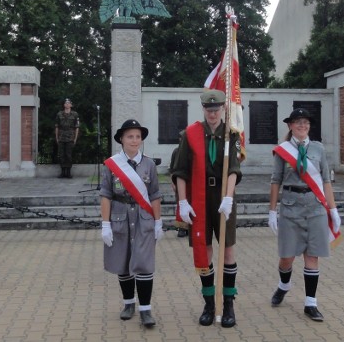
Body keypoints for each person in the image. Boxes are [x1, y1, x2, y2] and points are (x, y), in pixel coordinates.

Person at [172, 90, 243, 328]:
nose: (212, 114)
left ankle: (229, 304)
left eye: (217, 109)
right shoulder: (190, 134)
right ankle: (209, 303)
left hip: (224, 198)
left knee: (229, 253)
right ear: (203, 109)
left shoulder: (231, 134)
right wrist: (183, 202)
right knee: (206, 251)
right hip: (199, 198)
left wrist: (229, 198)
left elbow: (233, 168)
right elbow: (180, 171)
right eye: (208, 109)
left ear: (223, 109)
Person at [267, 108, 342, 322]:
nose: (302, 126)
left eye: (306, 123)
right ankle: (284, 285)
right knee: (286, 257)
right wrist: (272, 211)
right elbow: (275, 181)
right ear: (290, 126)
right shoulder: (283, 151)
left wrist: (333, 209)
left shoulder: (318, 149)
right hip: (291, 207)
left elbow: (326, 180)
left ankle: (311, 303)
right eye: (298, 122)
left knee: (312, 255)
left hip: (316, 207)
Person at [100, 119, 163, 328]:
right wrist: (105, 224)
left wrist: (158, 221)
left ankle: (146, 309)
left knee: (144, 264)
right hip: (120, 217)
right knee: (123, 262)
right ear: (122, 139)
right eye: (130, 136)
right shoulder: (112, 165)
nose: (134, 140)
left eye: (138, 136)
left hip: (143, 218)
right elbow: (106, 195)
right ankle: (128, 304)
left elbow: (154, 194)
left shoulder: (149, 164)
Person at [55, 98, 80, 178]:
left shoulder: (75, 114)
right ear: (64, 105)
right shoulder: (59, 114)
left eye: (69, 103)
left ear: (71, 105)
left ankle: (68, 172)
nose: (67, 104)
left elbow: (77, 127)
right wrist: (57, 137)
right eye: (66, 103)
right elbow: (57, 127)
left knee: (68, 155)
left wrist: (75, 138)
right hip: (61, 136)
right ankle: (63, 172)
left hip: (70, 137)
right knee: (61, 155)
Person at [169, 133, 188, 238]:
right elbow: (172, 169)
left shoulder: (192, 151)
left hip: (190, 182)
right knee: (181, 204)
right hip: (179, 181)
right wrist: (172, 182)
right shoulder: (176, 152)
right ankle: (181, 228)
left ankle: (190, 227)